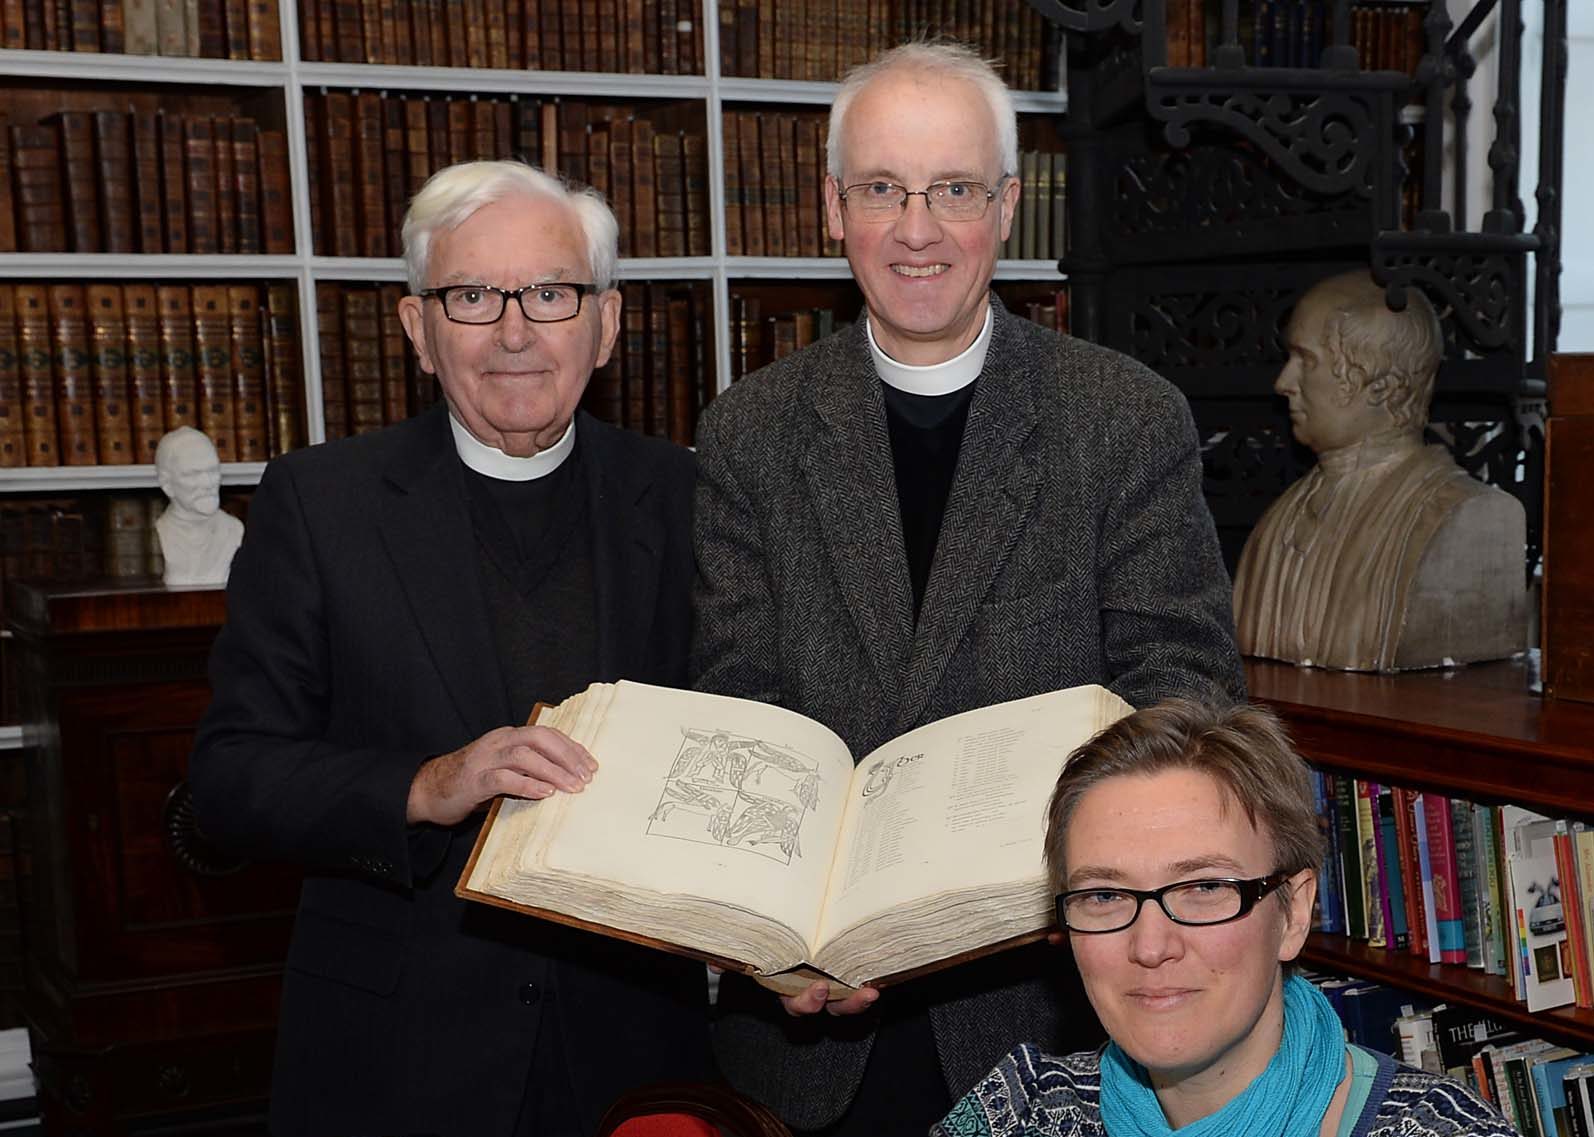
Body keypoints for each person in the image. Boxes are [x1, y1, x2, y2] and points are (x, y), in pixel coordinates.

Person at [692, 41, 1244, 1136]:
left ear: (1004, 207)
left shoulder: (1122, 419)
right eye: (881, 189)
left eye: (952, 189)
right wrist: (766, 934)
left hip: (1051, 1012)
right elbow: (737, 709)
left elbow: (1187, 701)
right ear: (830, 209)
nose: (915, 228)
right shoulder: (747, 431)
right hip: (814, 1029)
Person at [189, 160, 710, 1136]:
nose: (513, 331)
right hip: (397, 1059)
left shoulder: (684, 498)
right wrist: (424, 787)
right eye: (471, 296)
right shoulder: (319, 505)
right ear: (417, 331)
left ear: (606, 324)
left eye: (551, 294)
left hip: (640, 1049)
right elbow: (229, 782)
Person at [934, 699, 1516, 1137]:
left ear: (1293, 913)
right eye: (1105, 895)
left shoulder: (1441, 1128)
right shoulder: (1021, 1112)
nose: (1151, 945)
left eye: (1204, 887)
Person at [1232, 270, 1528, 671]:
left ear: (1379, 386)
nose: (1283, 382)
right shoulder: (1278, 522)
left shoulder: (1472, 516)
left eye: (1307, 360)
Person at [154, 425, 244, 585]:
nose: (208, 483)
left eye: (213, 470)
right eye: (193, 474)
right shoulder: (158, 533)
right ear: (167, 484)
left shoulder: (234, 530)